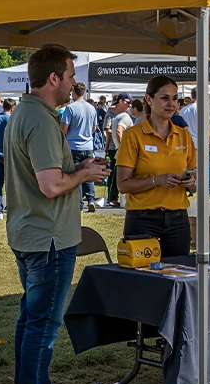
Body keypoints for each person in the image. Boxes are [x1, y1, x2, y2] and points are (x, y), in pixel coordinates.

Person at [5, 44, 108, 384]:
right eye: (70, 76)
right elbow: (50, 185)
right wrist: (84, 174)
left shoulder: (27, 113)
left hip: (31, 232)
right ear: (53, 79)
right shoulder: (42, 120)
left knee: (31, 318)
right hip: (47, 237)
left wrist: (77, 166)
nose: (73, 83)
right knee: (43, 323)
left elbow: (44, 175)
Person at [116, 75, 197, 255]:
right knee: (144, 280)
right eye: (165, 98)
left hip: (178, 219)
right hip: (143, 219)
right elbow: (122, 185)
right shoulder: (133, 135)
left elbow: (196, 183)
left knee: (179, 276)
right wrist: (156, 180)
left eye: (175, 98)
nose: (171, 103)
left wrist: (191, 183)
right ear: (148, 99)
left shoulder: (184, 135)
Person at [60, 82, 99, 212]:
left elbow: (63, 128)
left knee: (76, 174)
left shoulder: (70, 108)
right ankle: (91, 199)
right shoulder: (92, 108)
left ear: (74, 92)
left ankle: (79, 203)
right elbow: (94, 128)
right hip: (88, 145)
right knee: (89, 172)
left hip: (73, 145)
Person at [104, 94, 134, 206]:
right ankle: (112, 197)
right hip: (114, 147)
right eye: (127, 102)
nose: (129, 105)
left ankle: (118, 197)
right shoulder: (110, 113)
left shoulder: (125, 115)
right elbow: (108, 130)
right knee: (113, 174)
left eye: (130, 103)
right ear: (120, 101)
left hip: (117, 146)